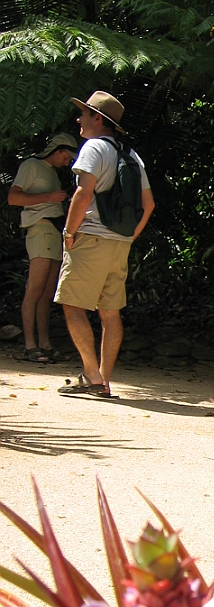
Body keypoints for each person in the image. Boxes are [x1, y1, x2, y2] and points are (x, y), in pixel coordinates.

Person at [55, 91, 155, 398]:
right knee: (110, 312)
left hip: (91, 238)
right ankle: (103, 379)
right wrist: (129, 237)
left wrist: (69, 233)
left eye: (84, 114)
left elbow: (83, 194)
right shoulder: (131, 154)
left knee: (72, 304)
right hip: (119, 244)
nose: (79, 119)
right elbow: (149, 204)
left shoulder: (94, 147)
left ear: (98, 119)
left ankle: (92, 376)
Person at [7, 133, 79, 363]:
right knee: (34, 289)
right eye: (66, 157)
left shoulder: (52, 173)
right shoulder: (31, 165)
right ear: (57, 150)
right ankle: (30, 345)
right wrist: (49, 196)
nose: (67, 163)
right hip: (39, 229)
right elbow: (13, 198)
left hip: (53, 232)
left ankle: (45, 344)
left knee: (47, 293)